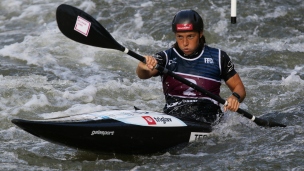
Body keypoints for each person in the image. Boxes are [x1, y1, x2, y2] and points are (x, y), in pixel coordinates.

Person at [136, 9, 246, 125]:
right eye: (180, 37)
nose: (185, 42)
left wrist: (235, 97)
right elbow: (143, 75)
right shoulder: (166, 57)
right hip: (175, 116)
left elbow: (239, 87)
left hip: (209, 117)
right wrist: (142, 66)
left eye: (190, 36)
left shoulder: (218, 57)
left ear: (200, 33)